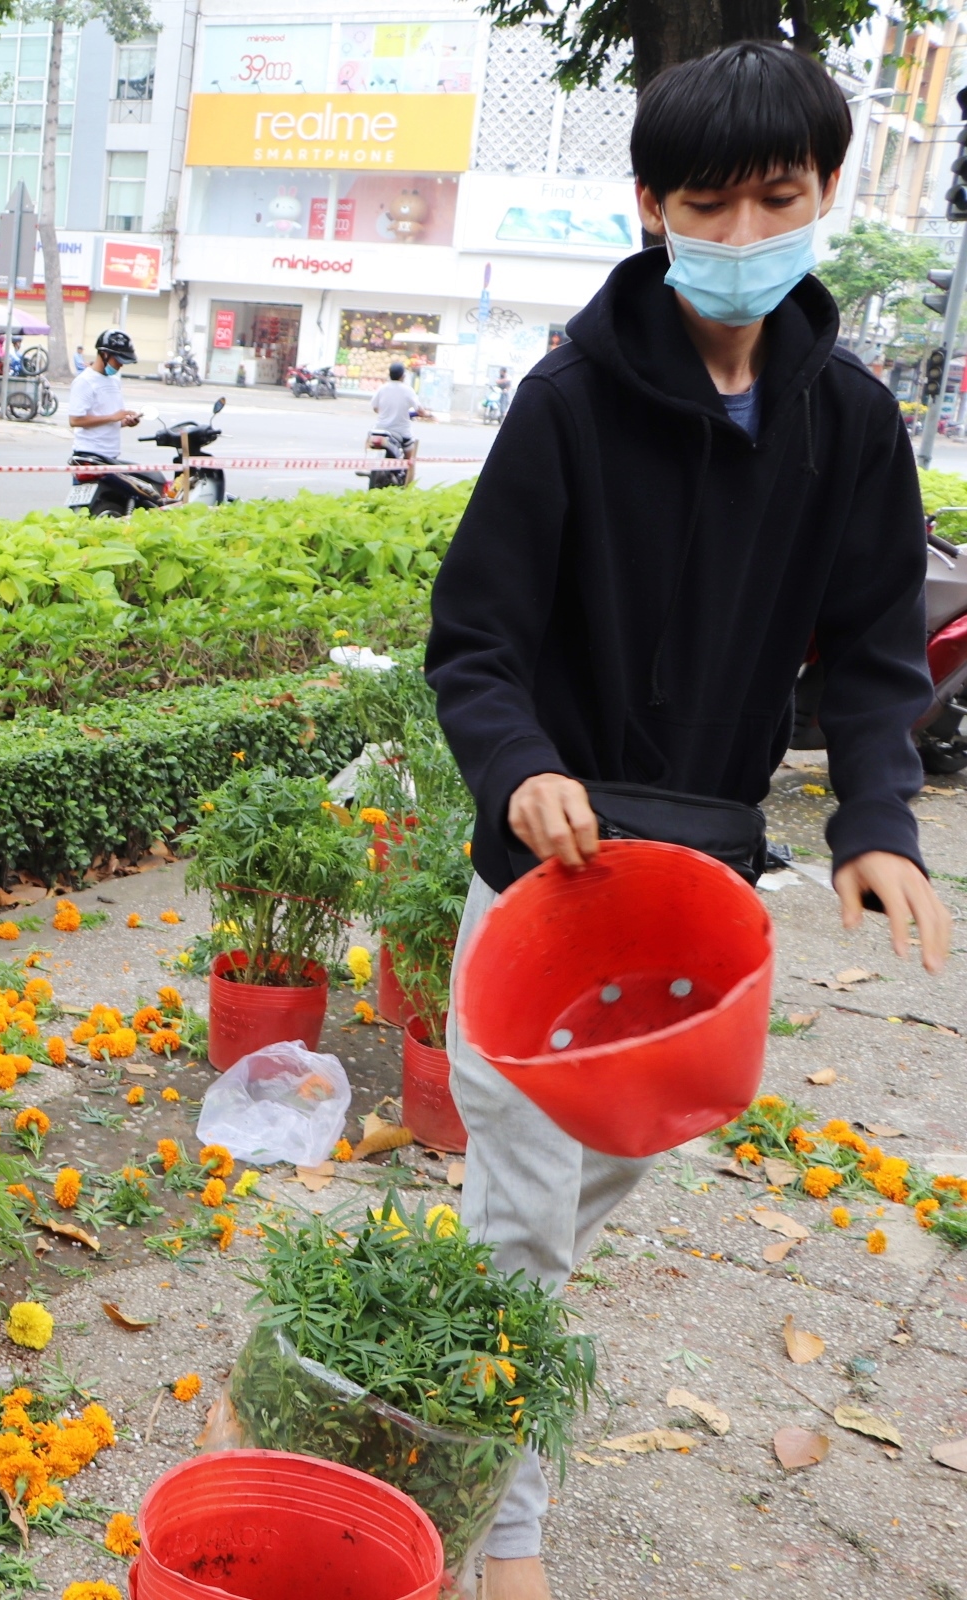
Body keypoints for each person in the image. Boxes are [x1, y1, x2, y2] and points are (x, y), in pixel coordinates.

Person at [425, 42, 950, 1600]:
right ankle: (504, 1538)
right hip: (551, 877)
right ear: (649, 206)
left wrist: (877, 818)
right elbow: (478, 638)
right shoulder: (570, 404)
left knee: (619, 1161)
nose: (741, 235)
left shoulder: (850, 421)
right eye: (706, 204)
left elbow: (869, 650)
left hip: (701, 879)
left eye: (776, 199)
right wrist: (516, 763)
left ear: (827, 194)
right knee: (524, 1221)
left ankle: (427, 1350)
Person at [66, 328, 145, 461]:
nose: (121, 365)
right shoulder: (85, 381)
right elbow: (75, 420)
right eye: (118, 360)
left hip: (111, 453)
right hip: (89, 454)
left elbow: (113, 419)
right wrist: (112, 417)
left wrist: (126, 422)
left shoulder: (114, 380)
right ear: (104, 354)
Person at [369, 360, 433, 485]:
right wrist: (428, 414)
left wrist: (386, 412)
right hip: (401, 432)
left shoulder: (382, 388)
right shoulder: (407, 390)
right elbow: (419, 410)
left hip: (380, 429)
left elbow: (375, 407)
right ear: (403, 376)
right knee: (410, 459)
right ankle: (407, 484)